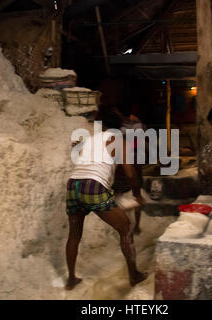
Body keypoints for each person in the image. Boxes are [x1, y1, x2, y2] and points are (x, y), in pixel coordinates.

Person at [65, 107, 147, 290]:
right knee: (125, 227)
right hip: (93, 186)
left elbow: (83, 154)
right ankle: (134, 275)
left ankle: (71, 279)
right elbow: (130, 174)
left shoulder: (90, 139)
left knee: (74, 234)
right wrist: (137, 194)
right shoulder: (119, 141)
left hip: (73, 186)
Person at [112, 112, 146, 234]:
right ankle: (130, 226)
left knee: (129, 193)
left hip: (133, 157)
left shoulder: (133, 125)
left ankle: (134, 226)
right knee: (125, 193)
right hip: (129, 159)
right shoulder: (135, 125)